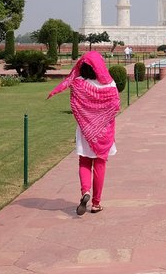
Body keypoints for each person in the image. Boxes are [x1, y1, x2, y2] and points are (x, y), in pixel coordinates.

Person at [47, 51, 121, 215]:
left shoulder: (78, 83)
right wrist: (101, 119)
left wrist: (89, 120)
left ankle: (85, 192)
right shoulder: (109, 84)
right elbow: (115, 105)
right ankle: (96, 203)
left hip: (85, 130)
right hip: (104, 131)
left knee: (85, 162)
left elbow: (74, 105)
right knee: (100, 164)